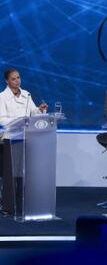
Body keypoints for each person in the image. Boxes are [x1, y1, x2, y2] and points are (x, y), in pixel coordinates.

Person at [0, 69, 48, 214]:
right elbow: (1, 118)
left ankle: (23, 204)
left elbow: (33, 112)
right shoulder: (2, 97)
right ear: (7, 81)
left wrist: (40, 110)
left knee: (23, 173)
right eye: (13, 79)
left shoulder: (26, 94)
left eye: (18, 78)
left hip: (27, 138)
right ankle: (8, 206)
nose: (17, 81)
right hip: (11, 138)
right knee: (10, 174)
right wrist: (19, 121)